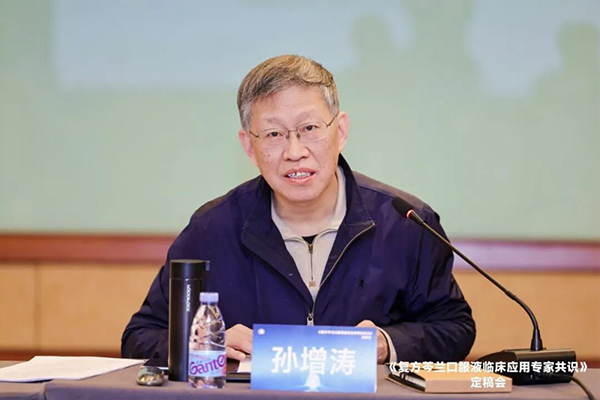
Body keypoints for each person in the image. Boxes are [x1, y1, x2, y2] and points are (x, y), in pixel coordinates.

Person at [121, 55, 475, 364]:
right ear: (249, 146)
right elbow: (141, 336)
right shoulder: (211, 229)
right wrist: (205, 344)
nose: (294, 152)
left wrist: (387, 343)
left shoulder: (405, 222)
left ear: (341, 131)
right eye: (274, 134)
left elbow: (454, 328)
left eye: (309, 128)